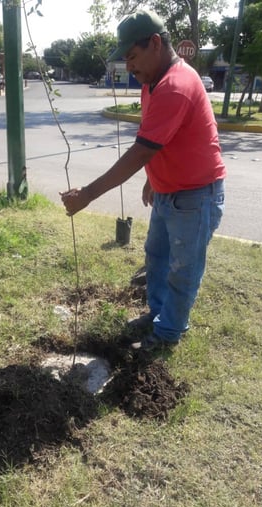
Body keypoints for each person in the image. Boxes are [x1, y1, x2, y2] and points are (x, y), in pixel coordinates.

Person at [60, 10, 226, 352]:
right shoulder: (153, 83)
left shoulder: (175, 86)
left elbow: (139, 153)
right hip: (169, 193)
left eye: (132, 57)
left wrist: (88, 195)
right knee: (157, 257)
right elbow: (160, 141)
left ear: (155, 43)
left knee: (182, 270)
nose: (130, 67)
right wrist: (155, 180)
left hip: (195, 197)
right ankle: (157, 315)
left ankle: (168, 334)